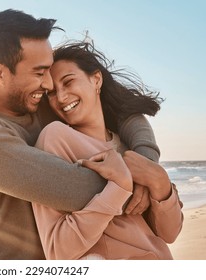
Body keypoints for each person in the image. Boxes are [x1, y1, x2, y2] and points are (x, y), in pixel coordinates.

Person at [0, 9, 161, 260]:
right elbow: (77, 190)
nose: (50, 85)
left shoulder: (38, 102)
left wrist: (145, 161)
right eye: (39, 73)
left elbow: (124, 112)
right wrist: (142, 182)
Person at [32, 42, 183, 259]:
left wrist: (160, 182)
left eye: (68, 82)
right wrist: (118, 187)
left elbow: (170, 233)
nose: (62, 97)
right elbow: (58, 252)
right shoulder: (56, 138)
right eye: (52, 93)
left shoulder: (130, 146)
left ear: (96, 79)